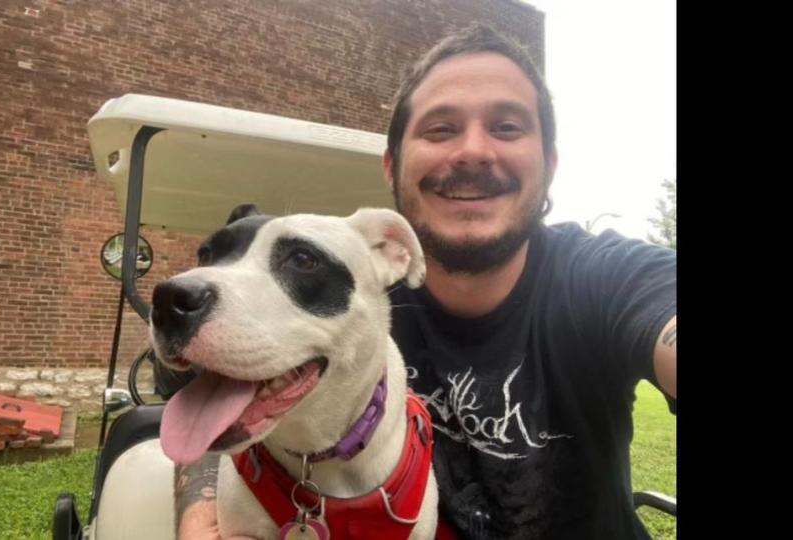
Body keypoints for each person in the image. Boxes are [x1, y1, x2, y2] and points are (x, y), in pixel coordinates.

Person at [174, 22, 676, 540]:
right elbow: (207, 405)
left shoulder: (607, 277)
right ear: (392, 167)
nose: (474, 151)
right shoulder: (361, 291)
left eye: (507, 127)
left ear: (548, 164)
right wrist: (202, 514)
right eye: (440, 129)